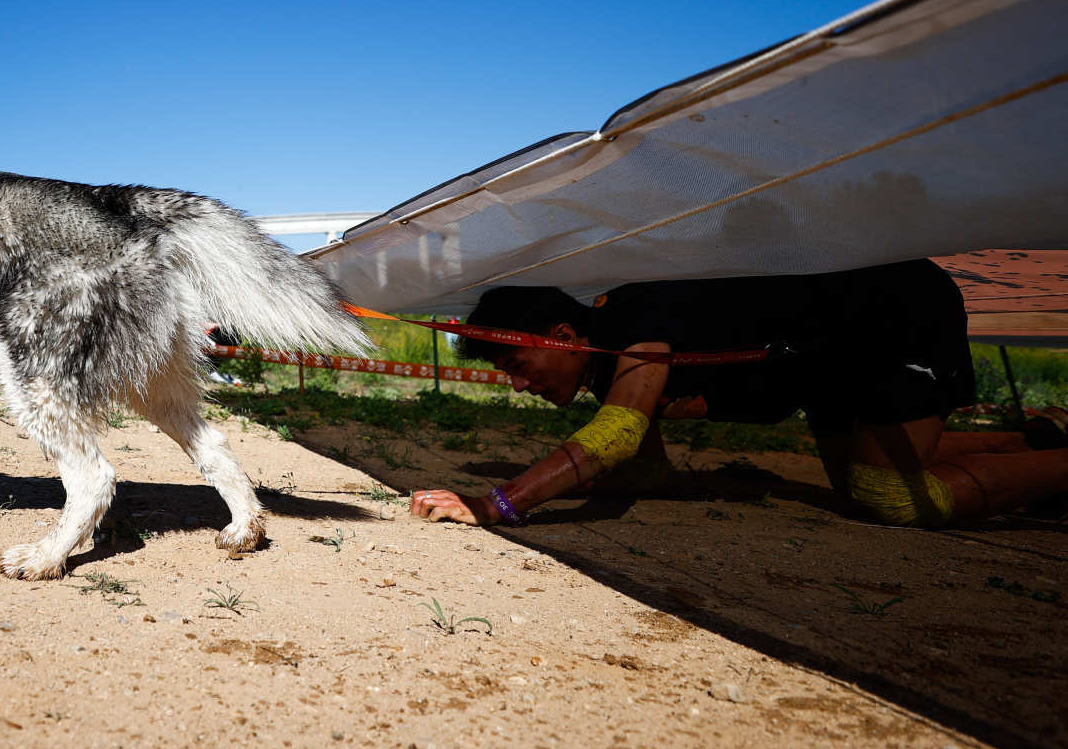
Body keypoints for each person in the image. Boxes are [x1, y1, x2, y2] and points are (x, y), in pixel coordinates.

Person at [409, 260, 1068, 530]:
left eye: (517, 363)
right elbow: (641, 465)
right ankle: (1037, 439)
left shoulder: (633, 326)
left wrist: (493, 503)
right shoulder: (606, 360)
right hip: (831, 352)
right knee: (865, 474)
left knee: (889, 494)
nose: (519, 384)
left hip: (894, 314)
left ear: (562, 333)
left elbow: (618, 437)